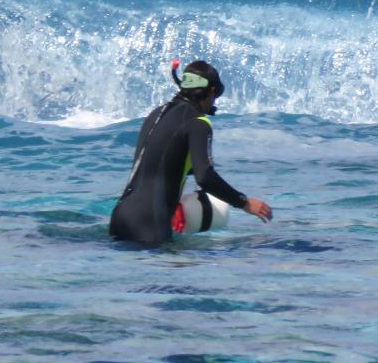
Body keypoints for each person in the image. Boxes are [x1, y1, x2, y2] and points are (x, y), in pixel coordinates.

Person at [109, 60, 272, 245]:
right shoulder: (198, 123)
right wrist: (244, 203)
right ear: (211, 91)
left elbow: (164, 165)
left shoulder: (157, 114)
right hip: (149, 223)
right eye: (215, 96)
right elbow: (205, 177)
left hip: (120, 217)